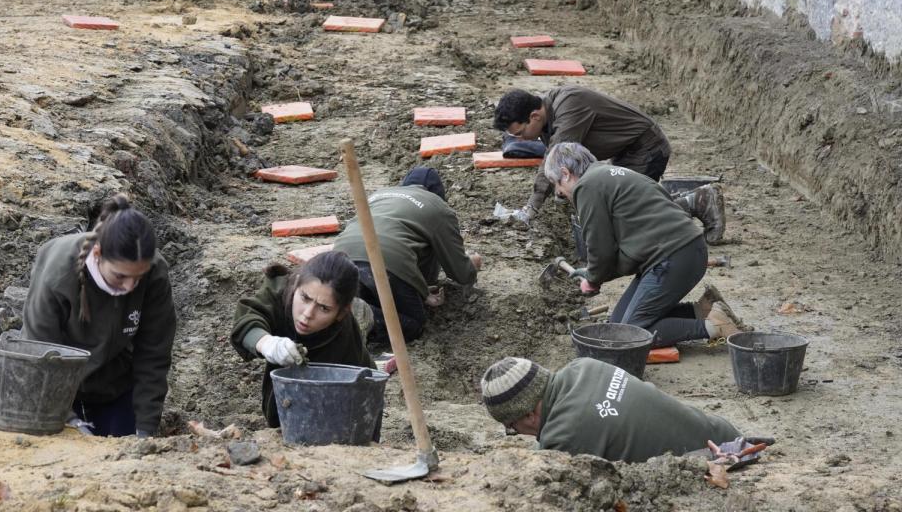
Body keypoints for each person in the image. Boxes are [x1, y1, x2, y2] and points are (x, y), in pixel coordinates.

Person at [544, 142, 748, 347]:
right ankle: (704, 309)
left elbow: (601, 249)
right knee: (618, 325)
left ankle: (715, 326)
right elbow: (623, 253)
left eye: (556, 184)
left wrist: (593, 279)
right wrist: (594, 274)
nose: (559, 192)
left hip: (673, 256)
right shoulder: (608, 174)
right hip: (682, 251)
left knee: (630, 335)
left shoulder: (586, 187)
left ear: (566, 173)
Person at [22, 195, 176, 438]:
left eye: (137, 278)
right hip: (55, 381)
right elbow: (39, 352)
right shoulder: (57, 271)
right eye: (120, 276)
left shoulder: (155, 273)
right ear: (97, 253)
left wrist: (146, 429)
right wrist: (71, 421)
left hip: (116, 384)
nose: (129, 287)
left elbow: (153, 355)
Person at [493, 86, 725, 243]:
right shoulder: (547, 116)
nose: (520, 140)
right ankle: (676, 200)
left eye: (520, 133)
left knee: (627, 217)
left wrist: (531, 208)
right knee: (615, 206)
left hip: (646, 149)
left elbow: (554, 158)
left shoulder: (569, 106)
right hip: (624, 152)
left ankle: (699, 201)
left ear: (534, 116)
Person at [480, 357, 741, 462]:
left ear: (528, 414)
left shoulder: (563, 435)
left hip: (721, 463)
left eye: (512, 427)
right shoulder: (582, 366)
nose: (517, 432)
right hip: (726, 433)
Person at [333, 166, 482, 343]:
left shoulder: (378, 195)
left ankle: (343, 314)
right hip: (389, 259)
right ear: (438, 194)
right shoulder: (438, 206)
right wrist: (472, 265)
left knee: (359, 304)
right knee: (412, 325)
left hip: (340, 256)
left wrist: (419, 288)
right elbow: (460, 273)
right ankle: (363, 315)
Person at [230, 251, 375, 428]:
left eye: (323, 308)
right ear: (297, 284)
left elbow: (367, 396)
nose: (307, 314)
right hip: (279, 404)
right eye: (305, 298)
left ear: (341, 313)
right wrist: (267, 343)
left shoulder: (346, 336)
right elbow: (247, 319)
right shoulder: (280, 290)